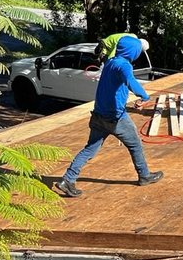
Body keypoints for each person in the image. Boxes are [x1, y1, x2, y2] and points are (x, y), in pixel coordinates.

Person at [55, 35, 163, 197]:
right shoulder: (124, 66)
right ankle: (145, 175)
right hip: (115, 118)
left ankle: (68, 180)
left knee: (90, 149)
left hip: (98, 115)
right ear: (133, 52)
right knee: (135, 145)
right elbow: (130, 81)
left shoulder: (110, 62)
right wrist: (144, 97)